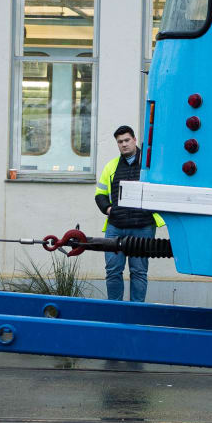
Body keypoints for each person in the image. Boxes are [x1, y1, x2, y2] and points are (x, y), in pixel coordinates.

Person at [94, 125, 163, 302]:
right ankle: (115, 310)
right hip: (115, 227)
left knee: (139, 272)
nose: (124, 144)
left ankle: (136, 311)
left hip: (143, 227)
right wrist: (109, 209)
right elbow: (100, 194)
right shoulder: (111, 166)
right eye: (120, 142)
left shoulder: (149, 165)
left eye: (127, 140)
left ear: (134, 140)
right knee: (112, 271)